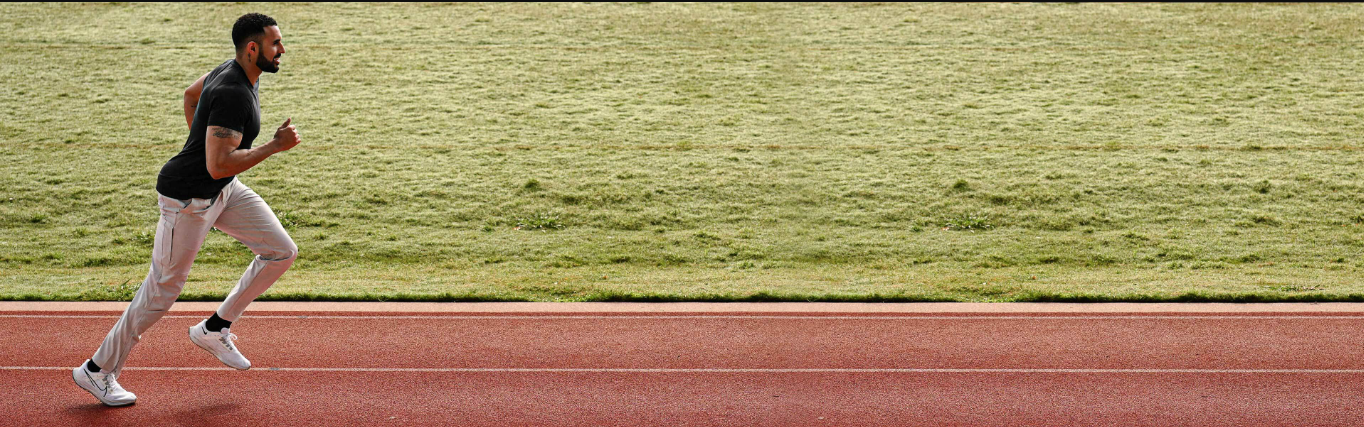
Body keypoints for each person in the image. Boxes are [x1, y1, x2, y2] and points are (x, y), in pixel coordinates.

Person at [72, 12, 301, 407]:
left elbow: (190, 96)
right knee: (161, 291)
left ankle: (216, 327)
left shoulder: (236, 72)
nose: (282, 49)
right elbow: (218, 164)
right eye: (275, 43)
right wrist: (273, 147)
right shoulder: (232, 92)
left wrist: (198, 144)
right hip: (187, 202)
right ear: (252, 49)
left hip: (222, 191)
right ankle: (96, 370)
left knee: (281, 250)